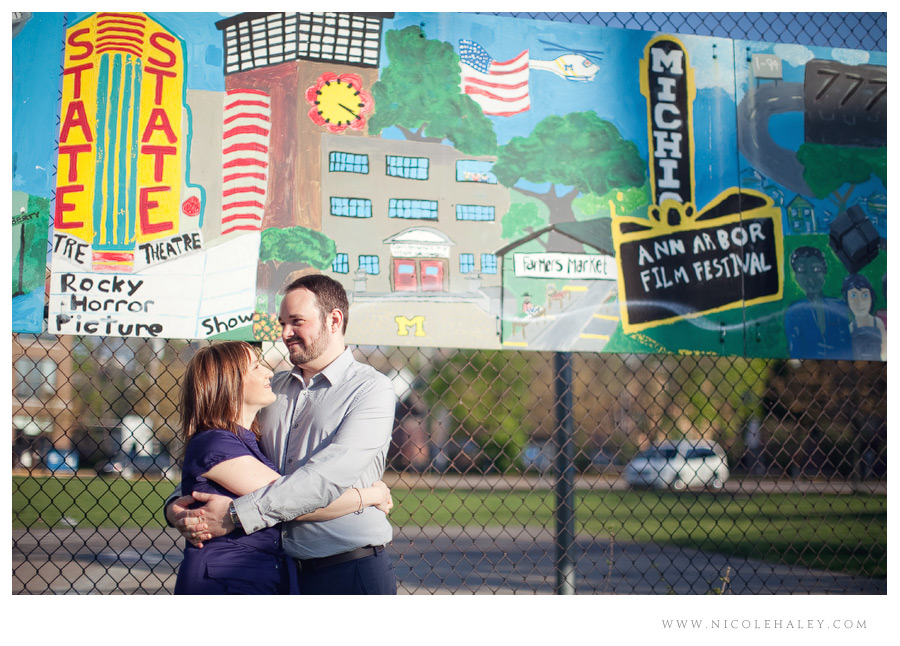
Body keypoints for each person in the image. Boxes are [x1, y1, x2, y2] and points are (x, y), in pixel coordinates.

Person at [167, 274, 398, 594]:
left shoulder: (371, 390)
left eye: (297, 322)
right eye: (282, 323)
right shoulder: (269, 391)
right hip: (279, 571)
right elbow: (225, 460)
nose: (285, 333)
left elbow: (322, 482)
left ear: (333, 320)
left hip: (348, 568)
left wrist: (236, 515)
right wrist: (180, 506)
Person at [783, 246, 852, 359]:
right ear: (795, 275)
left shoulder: (839, 306)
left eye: (816, 269)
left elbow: (847, 346)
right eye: (801, 270)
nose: (810, 278)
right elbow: (796, 351)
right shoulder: (794, 313)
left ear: (824, 270)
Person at [841, 273, 886, 360]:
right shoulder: (850, 328)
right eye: (853, 296)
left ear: (871, 297)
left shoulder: (878, 323)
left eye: (865, 295)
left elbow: (885, 351)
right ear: (847, 299)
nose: (859, 302)